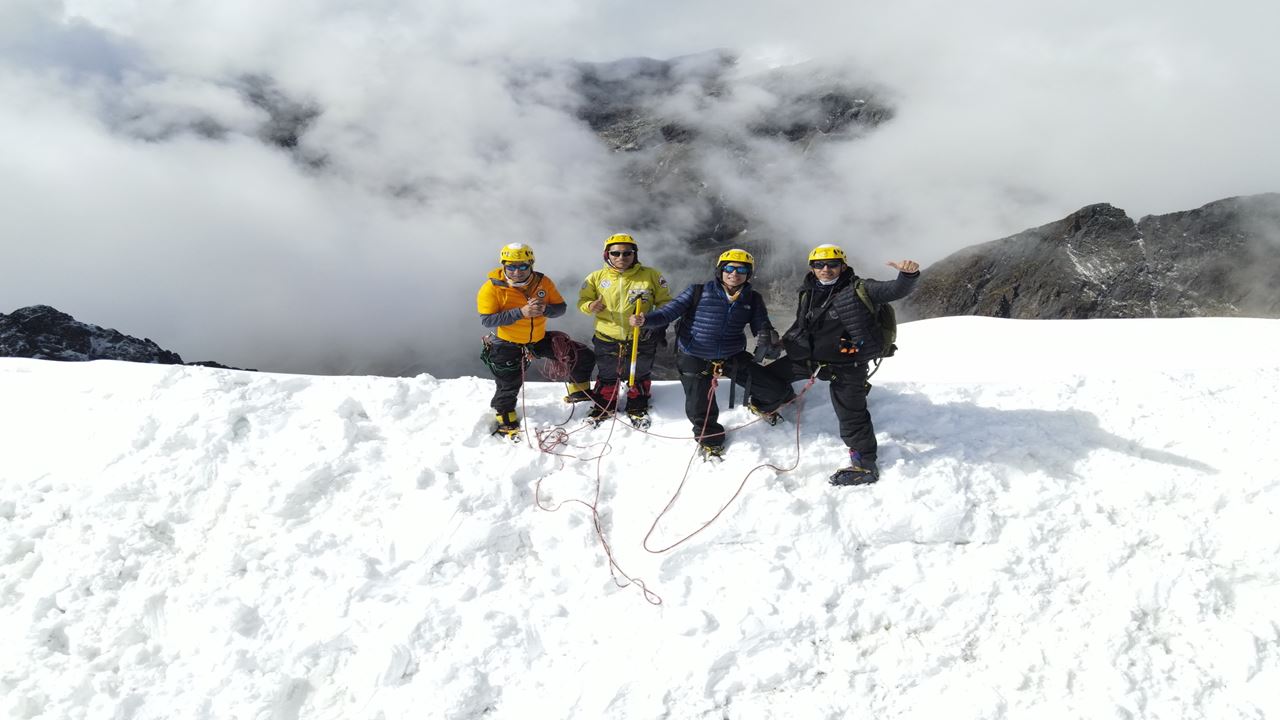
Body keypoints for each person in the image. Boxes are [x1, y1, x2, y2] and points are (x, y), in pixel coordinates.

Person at [764, 244, 920, 485]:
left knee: (851, 415)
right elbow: (801, 325)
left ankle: (865, 464)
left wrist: (907, 275)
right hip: (811, 359)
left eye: (832, 264)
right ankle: (778, 399)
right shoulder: (808, 292)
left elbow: (894, 290)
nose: (826, 269)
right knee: (766, 378)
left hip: (847, 366)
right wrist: (784, 343)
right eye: (819, 264)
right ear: (812, 268)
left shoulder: (861, 288)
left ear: (843, 266)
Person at [630, 248, 791, 458]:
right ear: (720, 271)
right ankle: (710, 440)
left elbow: (761, 323)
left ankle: (759, 405)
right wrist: (645, 320)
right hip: (694, 355)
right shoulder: (697, 291)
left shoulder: (752, 299)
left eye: (741, 269)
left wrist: (767, 335)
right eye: (729, 268)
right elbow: (669, 312)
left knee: (775, 390)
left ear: (748, 274)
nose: (735, 273)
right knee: (700, 404)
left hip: (731, 354)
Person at [476, 242, 596, 438]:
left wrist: (545, 309)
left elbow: (560, 308)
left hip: (537, 338)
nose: (517, 271)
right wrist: (521, 313)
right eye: (511, 266)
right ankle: (505, 414)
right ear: (504, 266)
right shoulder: (492, 288)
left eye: (522, 266)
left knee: (582, 355)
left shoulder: (543, 282)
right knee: (509, 382)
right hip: (507, 341)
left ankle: (579, 392)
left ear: (530, 264)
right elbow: (488, 320)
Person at [578, 233, 673, 428]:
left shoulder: (651, 275)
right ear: (607, 255)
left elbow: (666, 304)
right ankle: (605, 405)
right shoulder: (596, 277)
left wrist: (649, 321)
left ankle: (637, 406)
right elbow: (582, 301)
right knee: (607, 374)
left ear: (634, 254)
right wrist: (590, 307)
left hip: (642, 336)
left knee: (639, 373)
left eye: (627, 253)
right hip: (607, 336)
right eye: (616, 253)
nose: (621, 258)